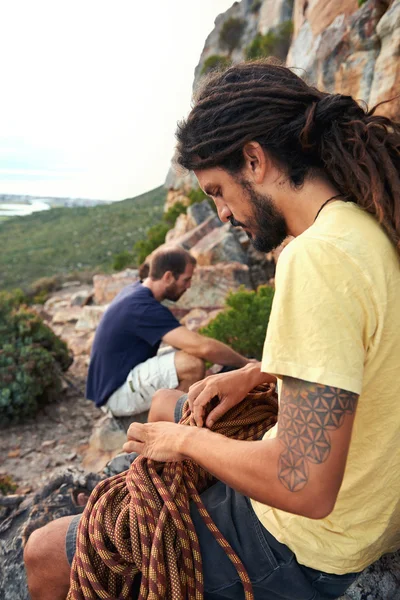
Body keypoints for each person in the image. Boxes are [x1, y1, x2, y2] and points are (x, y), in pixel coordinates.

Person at [24, 61, 400, 600]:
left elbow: (306, 484)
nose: (222, 214)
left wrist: (185, 441)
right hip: (367, 509)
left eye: (219, 190)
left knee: (43, 551)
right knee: (167, 407)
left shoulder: (316, 258)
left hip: (311, 545)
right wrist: (252, 374)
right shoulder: (367, 224)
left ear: (254, 159)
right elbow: (370, 343)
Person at [86, 245, 250, 419]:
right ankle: (178, 427)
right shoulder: (142, 307)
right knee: (191, 364)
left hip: (114, 381)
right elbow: (203, 347)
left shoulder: (136, 292)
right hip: (115, 393)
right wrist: (245, 364)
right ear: (168, 276)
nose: (188, 286)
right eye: (186, 280)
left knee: (191, 356)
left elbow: (191, 344)